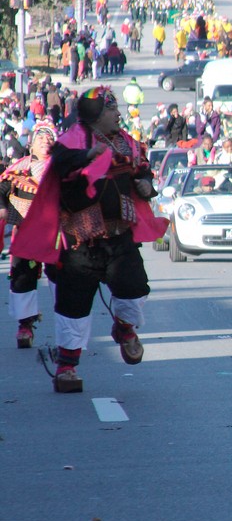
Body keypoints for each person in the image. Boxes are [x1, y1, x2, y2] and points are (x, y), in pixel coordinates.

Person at [10, 86, 168, 393]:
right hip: (79, 244)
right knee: (73, 306)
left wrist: (146, 184)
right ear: (96, 115)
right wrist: (88, 157)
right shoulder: (70, 142)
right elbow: (62, 167)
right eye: (111, 110)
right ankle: (67, 367)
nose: (119, 114)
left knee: (135, 291)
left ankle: (124, 329)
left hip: (119, 237)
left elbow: (142, 170)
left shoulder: (126, 142)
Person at [0, 119, 58, 348]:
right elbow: (1, 189)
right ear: (31, 145)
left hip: (56, 234)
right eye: (41, 139)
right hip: (25, 232)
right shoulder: (19, 169)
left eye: (50, 138)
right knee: (22, 276)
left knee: (63, 279)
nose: (45, 142)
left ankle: (69, 326)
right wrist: (2, 206)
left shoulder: (63, 170)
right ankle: (25, 325)